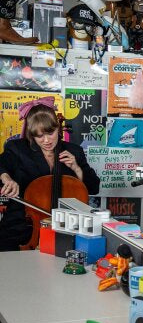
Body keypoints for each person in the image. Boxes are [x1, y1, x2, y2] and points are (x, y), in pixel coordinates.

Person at [0, 100, 100, 251]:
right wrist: (6, 178)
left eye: (50, 133)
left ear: (58, 128)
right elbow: (2, 165)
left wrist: (77, 168)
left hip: (66, 229)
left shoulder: (74, 151)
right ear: (31, 134)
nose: (46, 140)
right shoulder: (17, 149)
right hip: (22, 229)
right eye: (39, 136)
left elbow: (94, 187)